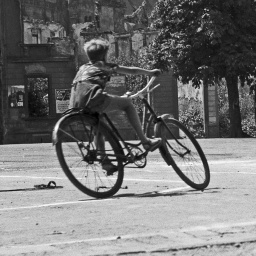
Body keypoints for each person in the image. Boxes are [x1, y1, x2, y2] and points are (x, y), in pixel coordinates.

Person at [69, 38, 162, 173]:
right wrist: (150, 72)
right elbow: (132, 71)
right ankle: (145, 141)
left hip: (77, 104)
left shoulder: (83, 68)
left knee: (99, 129)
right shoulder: (104, 65)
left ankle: (105, 161)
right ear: (103, 55)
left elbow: (88, 85)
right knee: (127, 104)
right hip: (94, 99)